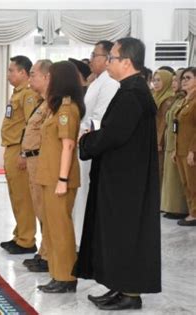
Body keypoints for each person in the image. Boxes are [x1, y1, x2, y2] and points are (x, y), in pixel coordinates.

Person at [75, 37, 161, 310]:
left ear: (126, 61)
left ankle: (131, 293)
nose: (108, 62)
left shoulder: (132, 94)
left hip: (127, 180)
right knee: (115, 234)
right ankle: (119, 285)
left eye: (111, 57)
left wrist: (87, 142)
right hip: (123, 175)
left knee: (126, 234)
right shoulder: (129, 89)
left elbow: (114, 135)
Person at [35, 61, 84, 293]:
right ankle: (57, 274)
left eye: (50, 77)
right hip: (49, 176)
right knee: (52, 229)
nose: (47, 80)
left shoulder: (67, 109)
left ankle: (66, 277)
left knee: (61, 229)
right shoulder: (55, 107)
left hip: (59, 179)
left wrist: (63, 180)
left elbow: (68, 145)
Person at [73, 40, 120, 248]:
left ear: (107, 58)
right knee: (80, 193)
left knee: (85, 192)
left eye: (94, 55)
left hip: (91, 144)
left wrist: (82, 132)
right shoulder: (97, 81)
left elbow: (100, 119)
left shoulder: (110, 82)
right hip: (83, 141)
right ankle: (79, 236)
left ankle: (83, 239)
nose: (90, 59)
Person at [0, 55, 39, 255]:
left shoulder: (28, 95)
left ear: (23, 73)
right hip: (12, 146)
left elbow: (30, 124)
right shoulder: (17, 93)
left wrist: (24, 152)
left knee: (23, 196)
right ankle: (19, 234)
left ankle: (26, 240)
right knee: (16, 195)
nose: (8, 74)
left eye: (11, 70)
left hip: (19, 148)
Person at [21, 59, 52, 272]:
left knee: (45, 210)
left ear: (47, 77)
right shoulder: (42, 102)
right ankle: (43, 251)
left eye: (33, 74)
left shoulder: (53, 103)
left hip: (42, 160)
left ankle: (48, 255)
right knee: (39, 208)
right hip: (33, 159)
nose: (29, 78)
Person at [161, 70, 188, 219]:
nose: (176, 83)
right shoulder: (177, 99)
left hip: (180, 142)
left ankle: (179, 209)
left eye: (177, 80)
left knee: (177, 178)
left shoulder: (186, 100)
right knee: (170, 176)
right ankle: (170, 207)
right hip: (171, 140)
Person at [173, 67, 196, 227]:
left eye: (188, 78)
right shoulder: (185, 100)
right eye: (183, 78)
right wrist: (175, 148)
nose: (184, 81)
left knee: (193, 183)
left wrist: (192, 150)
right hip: (181, 148)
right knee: (186, 183)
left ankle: (194, 214)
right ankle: (191, 211)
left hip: (190, 150)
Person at [153, 69, 175, 185]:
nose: (155, 83)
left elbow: (163, 122)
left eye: (159, 80)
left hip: (160, 143)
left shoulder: (168, 99)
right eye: (154, 80)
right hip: (152, 138)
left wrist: (159, 141)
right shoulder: (155, 96)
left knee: (159, 170)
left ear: (167, 81)